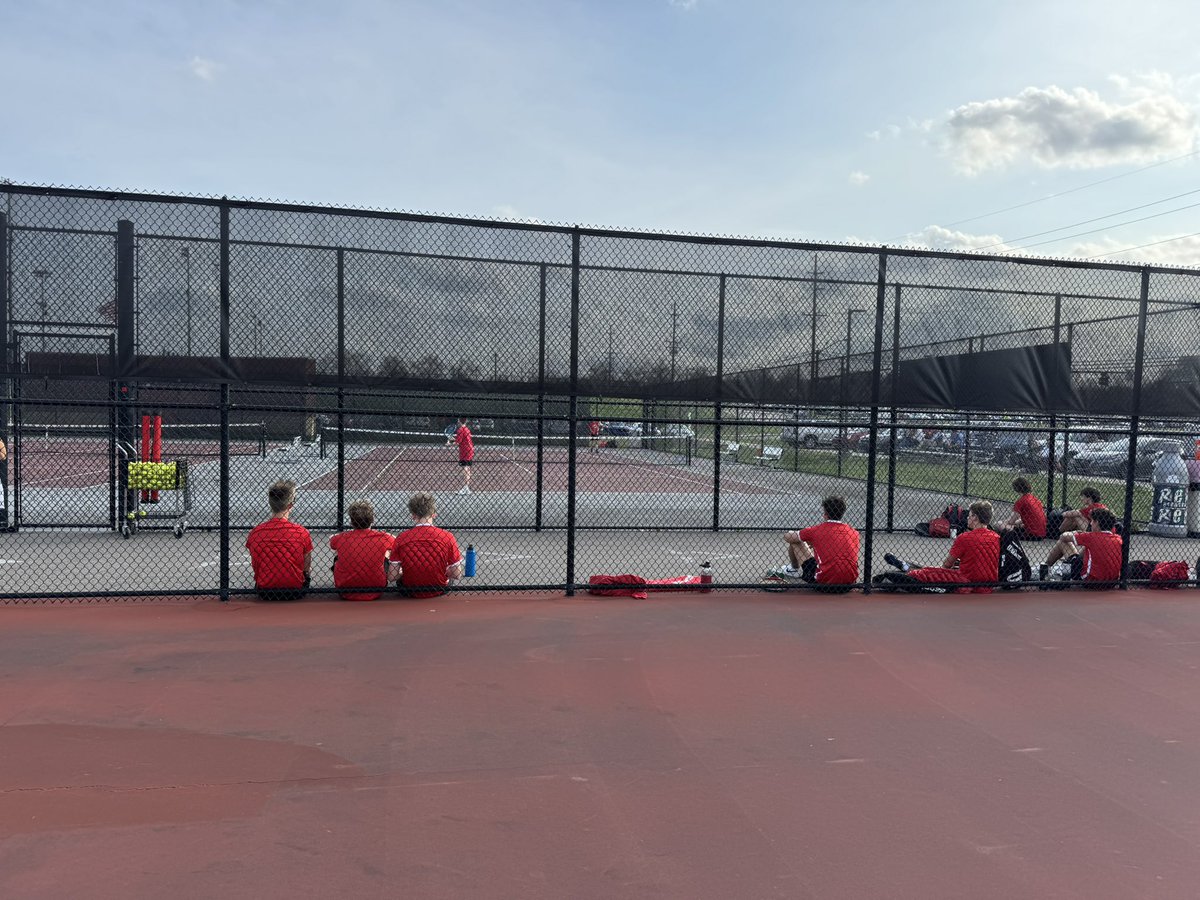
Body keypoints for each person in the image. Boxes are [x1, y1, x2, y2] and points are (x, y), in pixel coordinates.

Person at [881, 500, 1001, 594]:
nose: (967, 518)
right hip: (987, 584)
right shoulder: (996, 537)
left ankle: (906, 574)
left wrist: (950, 567)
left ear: (975, 517)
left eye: (969, 515)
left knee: (931, 572)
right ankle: (907, 567)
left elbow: (947, 565)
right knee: (938, 569)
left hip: (966, 581)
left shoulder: (965, 537)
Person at [765, 495, 860, 593]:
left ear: (825, 514)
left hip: (823, 584)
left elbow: (788, 537)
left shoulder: (817, 530)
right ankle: (796, 568)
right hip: (849, 583)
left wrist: (808, 540)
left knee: (796, 542)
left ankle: (794, 569)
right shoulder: (854, 532)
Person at [245, 479, 312, 601]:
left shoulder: (256, 532)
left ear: (271, 503)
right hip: (295, 590)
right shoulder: (301, 532)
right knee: (305, 567)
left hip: (265, 590)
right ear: (290, 505)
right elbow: (306, 565)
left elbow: (256, 562)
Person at [388, 492, 465, 598]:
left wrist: (402, 572)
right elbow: (457, 574)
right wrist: (445, 571)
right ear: (434, 514)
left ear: (413, 515)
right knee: (449, 573)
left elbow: (392, 576)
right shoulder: (447, 536)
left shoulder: (402, 538)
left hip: (410, 589)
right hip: (439, 588)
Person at [1040, 507, 1123, 589]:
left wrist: (1077, 533)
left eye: (1092, 521)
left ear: (1097, 522)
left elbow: (1063, 536)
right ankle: (1048, 568)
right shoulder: (1118, 538)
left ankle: (1045, 568)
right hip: (1112, 582)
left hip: (1090, 581)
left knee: (1062, 542)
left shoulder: (1091, 536)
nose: (1090, 524)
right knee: (1088, 550)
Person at [329, 499, 394, 601]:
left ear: (351, 521)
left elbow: (331, 541)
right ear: (372, 519)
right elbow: (395, 541)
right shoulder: (383, 537)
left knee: (338, 551)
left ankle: (349, 577)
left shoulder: (342, 537)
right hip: (376, 589)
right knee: (386, 551)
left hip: (345, 590)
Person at [1000, 476, 1047, 541]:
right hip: (1042, 534)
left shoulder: (1021, 501)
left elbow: (1011, 521)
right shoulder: (1035, 499)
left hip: (1030, 535)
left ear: (1016, 489)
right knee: (1019, 525)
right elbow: (1029, 517)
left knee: (1000, 524)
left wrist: (1005, 522)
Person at [448, 416, 474, 494]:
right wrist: (453, 440)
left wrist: (449, 444)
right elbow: (462, 440)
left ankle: (466, 488)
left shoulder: (460, 430)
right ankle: (467, 488)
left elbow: (458, 442)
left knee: (465, 468)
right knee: (468, 469)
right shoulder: (467, 429)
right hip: (470, 450)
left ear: (459, 421)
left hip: (465, 451)